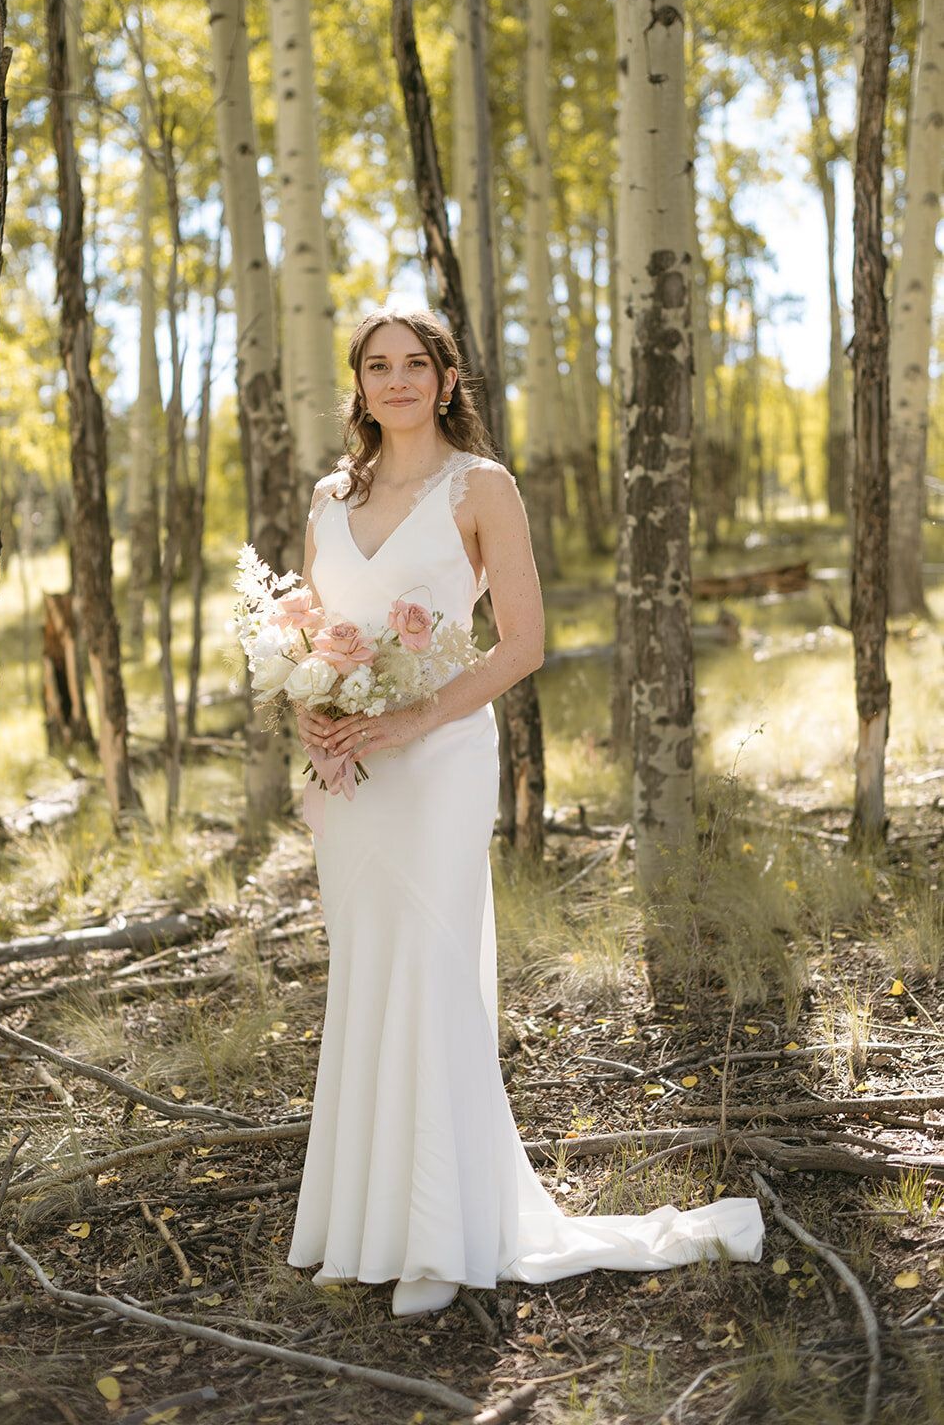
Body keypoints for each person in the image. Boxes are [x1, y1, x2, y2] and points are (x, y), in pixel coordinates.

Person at [285, 307, 764, 1319]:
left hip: (439, 758)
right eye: (378, 365)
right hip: (351, 774)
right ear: (358, 384)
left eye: (416, 364)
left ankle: (437, 1235)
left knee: (430, 966)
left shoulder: (481, 487)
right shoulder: (331, 496)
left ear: (445, 379)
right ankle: (359, 1222)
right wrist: (312, 714)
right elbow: (314, 633)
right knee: (366, 969)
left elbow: (522, 644)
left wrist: (406, 719)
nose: (397, 380)